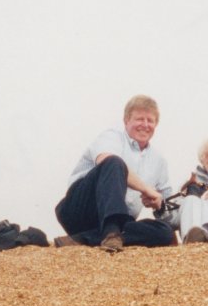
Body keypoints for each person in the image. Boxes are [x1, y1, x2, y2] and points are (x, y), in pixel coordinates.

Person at [54, 95, 177, 252]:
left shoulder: (159, 161)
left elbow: (168, 204)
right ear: (126, 121)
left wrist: (159, 206)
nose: (145, 125)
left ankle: (84, 239)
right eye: (140, 119)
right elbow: (106, 160)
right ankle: (110, 232)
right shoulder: (111, 137)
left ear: (156, 124)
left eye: (150, 120)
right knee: (114, 163)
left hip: (121, 222)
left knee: (164, 231)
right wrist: (146, 189)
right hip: (81, 209)